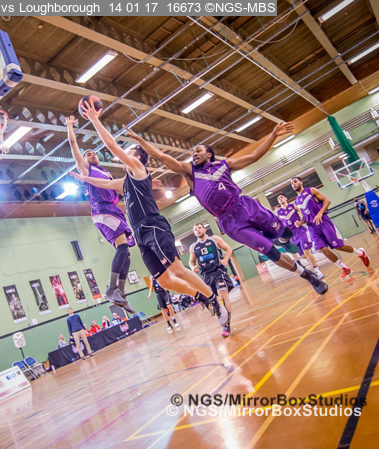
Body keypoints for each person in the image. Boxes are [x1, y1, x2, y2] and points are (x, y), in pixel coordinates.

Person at [72, 101, 229, 329]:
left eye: (130, 152)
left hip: (153, 226)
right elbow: (105, 183)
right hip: (140, 233)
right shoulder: (125, 181)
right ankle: (200, 296)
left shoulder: (138, 169)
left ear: (137, 158)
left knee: (177, 270)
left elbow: (112, 146)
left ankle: (214, 299)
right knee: (165, 281)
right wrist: (84, 179)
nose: (125, 154)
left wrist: (94, 120)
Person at [125, 121, 328, 296]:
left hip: (245, 206)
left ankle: (282, 238)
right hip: (230, 222)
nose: (194, 154)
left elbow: (254, 156)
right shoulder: (190, 172)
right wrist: (141, 141)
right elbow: (162, 157)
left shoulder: (224, 164)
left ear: (209, 153)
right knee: (271, 252)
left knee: (287, 233)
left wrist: (273, 134)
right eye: (192, 153)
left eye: (198, 150)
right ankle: (306, 274)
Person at [67, 115, 136, 313]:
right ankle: (112, 289)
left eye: (94, 153)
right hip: (102, 210)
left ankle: (120, 293)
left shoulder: (105, 172)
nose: (92, 154)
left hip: (113, 210)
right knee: (122, 248)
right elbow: (73, 145)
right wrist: (70, 126)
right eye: (88, 154)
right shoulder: (85, 169)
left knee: (126, 253)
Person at [292, 177, 370, 279]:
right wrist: (300, 222)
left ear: (301, 182)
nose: (293, 184)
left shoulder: (311, 190)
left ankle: (360, 253)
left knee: (338, 246)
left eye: (295, 181)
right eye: (292, 183)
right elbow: (305, 217)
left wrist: (320, 213)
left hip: (323, 222)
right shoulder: (296, 202)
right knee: (323, 249)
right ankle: (345, 268)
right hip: (312, 227)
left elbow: (327, 201)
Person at [189, 223, 235, 336]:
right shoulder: (193, 247)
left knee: (223, 293)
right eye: (195, 229)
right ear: (194, 233)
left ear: (204, 229)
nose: (198, 230)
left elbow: (229, 249)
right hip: (206, 276)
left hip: (219, 271)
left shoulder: (215, 239)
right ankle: (222, 319)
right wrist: (192, 267)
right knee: (214, 300)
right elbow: (191, 261)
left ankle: (226, 325)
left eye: (199, 228)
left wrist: (226, 259)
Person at [276, 195, 324, 278]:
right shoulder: (278, 212)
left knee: (306, 252)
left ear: (286, 198)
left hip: (300, 231)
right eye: (278, 198)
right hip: (291, 235)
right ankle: (313, 251)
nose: (280, 199)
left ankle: (317, 270)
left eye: (281, 197)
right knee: (303, 256)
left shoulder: (293, 206)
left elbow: (303, 215)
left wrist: (301, 222)